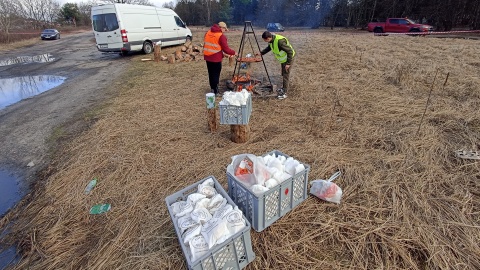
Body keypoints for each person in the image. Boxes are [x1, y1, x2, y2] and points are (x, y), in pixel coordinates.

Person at [203, 22, 237, 97]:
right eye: (225, 29)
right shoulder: (221, 36)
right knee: (216, 74)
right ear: (221, 28)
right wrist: (234, 52)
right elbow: (226, 49)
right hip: (216, 59)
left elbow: (211, 46)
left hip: (208, 57)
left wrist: (222, 54)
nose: (224, 31)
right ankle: (215, 91)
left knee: (211, 73)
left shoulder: (208, 32)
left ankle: (212, 88)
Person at [258, 31, 295, 100]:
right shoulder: (272, 40)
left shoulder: (280, 42)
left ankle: (284, 93)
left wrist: (288, 63)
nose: (265, 41)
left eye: (265, 40)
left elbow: (290, 51)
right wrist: (261, 53)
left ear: (269, 38)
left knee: (285, 75)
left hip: (288, 58)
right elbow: (269, 47)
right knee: (283, 74)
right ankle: (283, 88)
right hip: (283, 59)